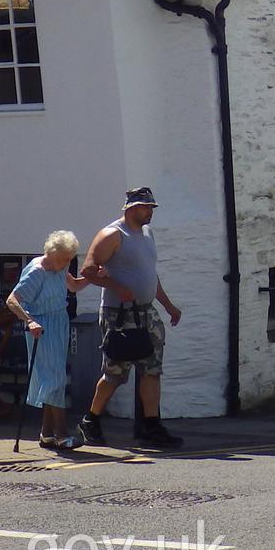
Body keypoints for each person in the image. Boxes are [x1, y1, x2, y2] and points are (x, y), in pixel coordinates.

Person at [76, 186, 184, 449]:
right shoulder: (113, 234)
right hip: (120, 314)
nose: (150, 212)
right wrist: (117, 287)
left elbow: (150, 274)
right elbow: (88, 270)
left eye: (151, 207)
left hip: (147, 312)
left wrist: (168, 305)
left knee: (152, 370)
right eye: (146, 207)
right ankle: (90, 420)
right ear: (131, 208)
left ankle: (151, 425)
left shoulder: (147, 234)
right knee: (115, 372)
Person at [6, 230, 94, 449]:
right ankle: (62, 435)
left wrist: (93, 277)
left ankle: (46, 434)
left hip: (59, 324)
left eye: (70, 259)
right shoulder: (37, 272)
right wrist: (29, 321)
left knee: (52, 379)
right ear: (52, 253)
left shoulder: (60, 266)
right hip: (42, 328)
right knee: (55, 380)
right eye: (64, 258)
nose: (67, 263)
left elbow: (73, 286)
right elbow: (12, 300)